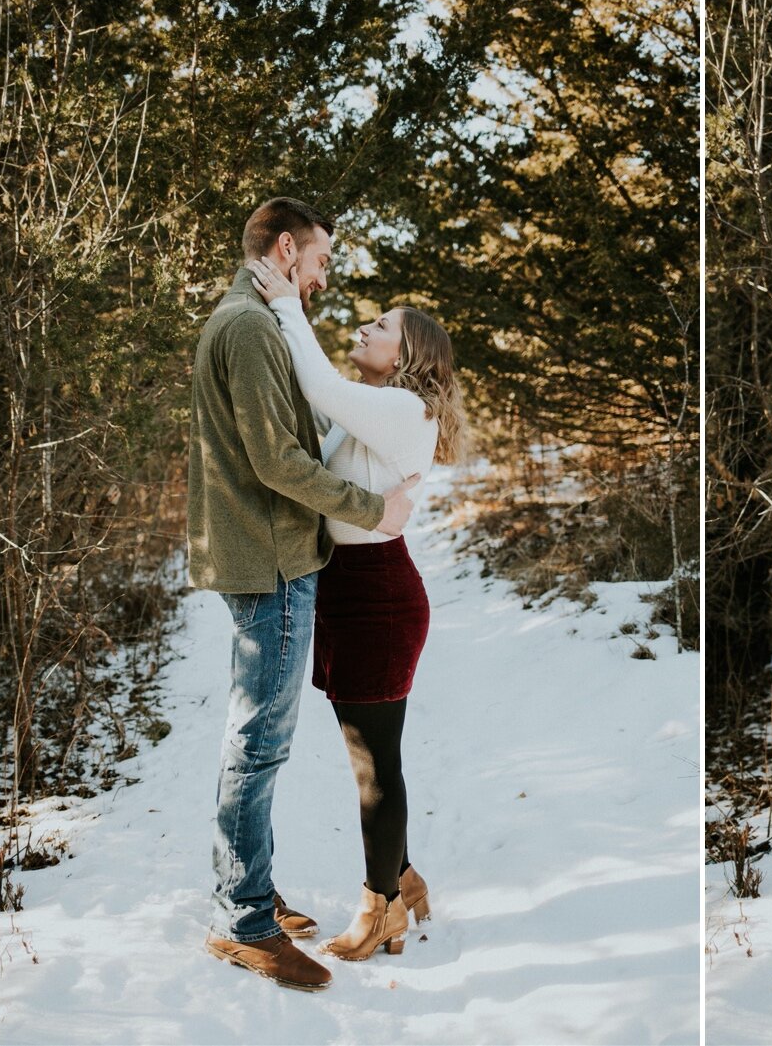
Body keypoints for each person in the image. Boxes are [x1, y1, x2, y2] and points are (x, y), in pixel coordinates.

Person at [189, 197, 419, 991]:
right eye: (318, 260)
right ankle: (242, 919)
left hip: (272, 552)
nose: (322, 278)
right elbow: (278, 460)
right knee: (257, 743)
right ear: (286, 250)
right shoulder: (252, 328)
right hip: (273, 558)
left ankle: (248, 887)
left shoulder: (250, 319)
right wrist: (373, 510)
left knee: (256, 740)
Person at [247, 254, 468, 962]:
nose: (367, 326)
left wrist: (288, 302)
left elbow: (318, 382)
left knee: (376, 765)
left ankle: (380, 908)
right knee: (368, 755)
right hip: (351, 593)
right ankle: (403, 877)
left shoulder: (404, 408)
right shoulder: (370, 415)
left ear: (408, 356)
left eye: (383, 325)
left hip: (378, 597)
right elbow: (309, 432)